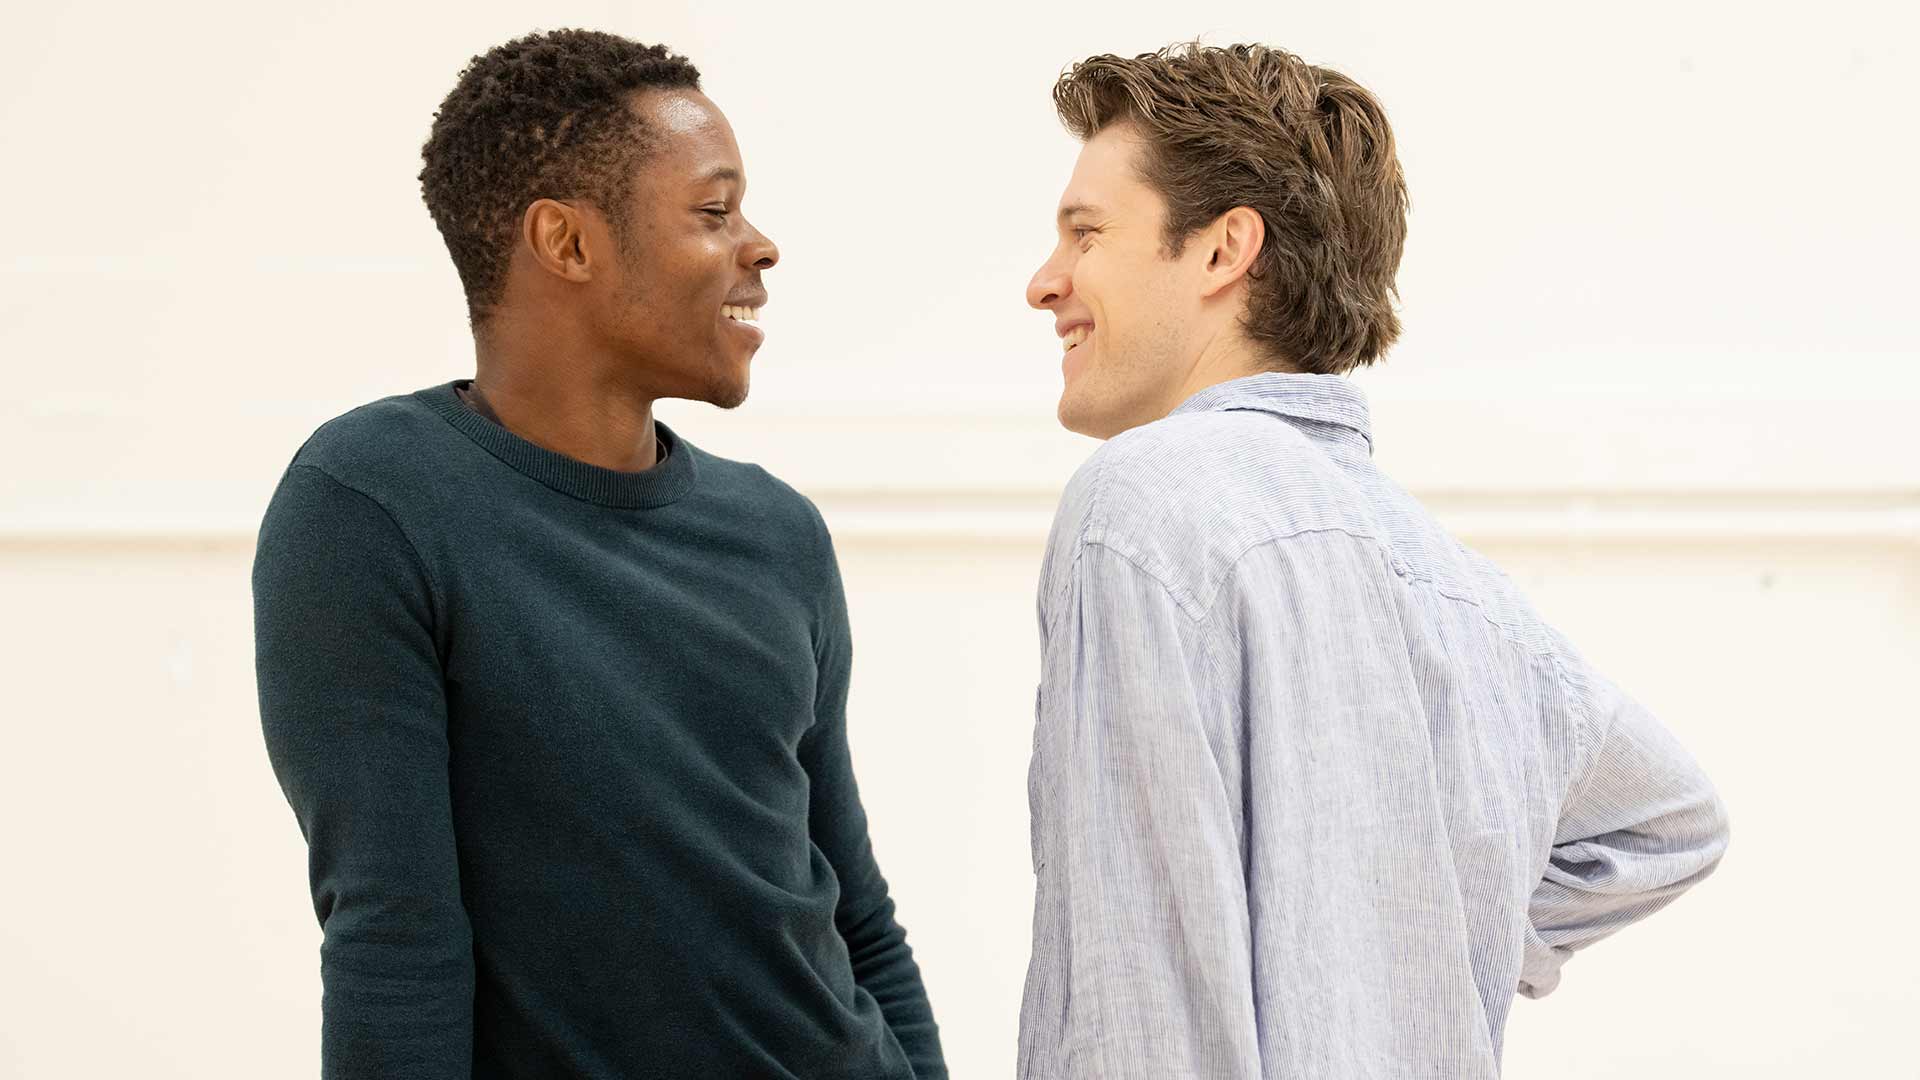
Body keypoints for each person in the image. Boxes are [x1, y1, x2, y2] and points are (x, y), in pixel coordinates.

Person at [1017, 43, 1729, 1078]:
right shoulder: (1458, 591)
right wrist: (1429, 943)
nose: (1047, 282)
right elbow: (1669, 819)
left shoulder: (1146, 501)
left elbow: (1144, 1000)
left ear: (1224, 251)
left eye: (1086, 233)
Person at [253, 29, 943, 1079]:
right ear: (566, 243)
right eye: (714, 212)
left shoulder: (777, 531)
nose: (759, 246)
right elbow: (394, 943)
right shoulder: (370, 505)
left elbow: (855, 911)